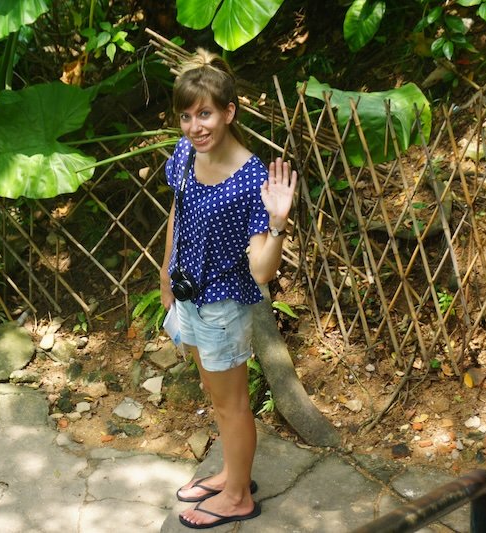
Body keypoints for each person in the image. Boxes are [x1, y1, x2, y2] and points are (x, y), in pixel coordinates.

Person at [159, 48, 297, 529]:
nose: (195, 126)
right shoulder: (185, 153)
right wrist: (166, 276)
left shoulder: (251, 178)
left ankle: (238, 495)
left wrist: (278, 222)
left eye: (205, 114)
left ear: (229, 112)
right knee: (216, 395)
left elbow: (261, 271)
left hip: (223, 306)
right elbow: (178, 211)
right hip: (189, 295)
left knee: (231, 403)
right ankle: (231, 474)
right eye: (186, 116)